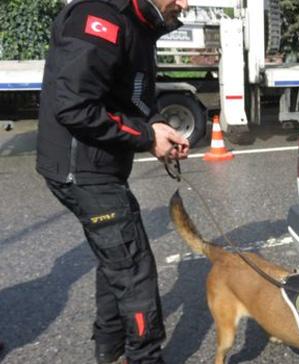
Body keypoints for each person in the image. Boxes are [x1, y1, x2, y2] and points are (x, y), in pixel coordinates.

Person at [36, 0, 189, 363]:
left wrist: (155, 126)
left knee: (117, 261)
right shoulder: (101, 17)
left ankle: (110, 347)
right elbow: (75, 106)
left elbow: (131, 96)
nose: (184, 4)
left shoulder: (139, 24)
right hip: (83, 172)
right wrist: (146, 137)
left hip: (98, 167)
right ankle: (144, 357)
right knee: (135, 272)